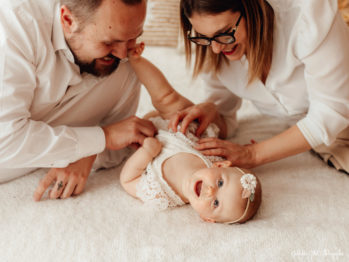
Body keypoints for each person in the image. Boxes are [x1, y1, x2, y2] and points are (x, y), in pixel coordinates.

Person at [0, 0, 189, 201]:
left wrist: (89, 152)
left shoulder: (124, 66)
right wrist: (102, 137)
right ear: (67, 20)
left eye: (133, 38)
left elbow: (123, 141)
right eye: (109, 42)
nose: (124, 54)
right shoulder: (14, 29)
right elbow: (5, 140)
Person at [169, 0, 349, 173]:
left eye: (224, 32)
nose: (216, 48)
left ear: (251, 7)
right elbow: (226, 120)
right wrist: (211, 111)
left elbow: (331, 112)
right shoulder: (214, 49)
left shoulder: (307, 16)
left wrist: (252, 154)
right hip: (330, 142)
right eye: (204, 37)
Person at [119, 43, 261, 224]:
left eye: (216, 203)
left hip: (144, 132)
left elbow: (128, 179)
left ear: (206, 218)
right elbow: (238, 159)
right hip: (181, 127)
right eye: (220, 183)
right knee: (167, 98)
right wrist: (249, 149)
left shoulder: (161, 195)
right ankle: (136, 59)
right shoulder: (213, 159)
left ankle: (133, 62)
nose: (210, 192)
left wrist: (146, 152)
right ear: (220, 167)